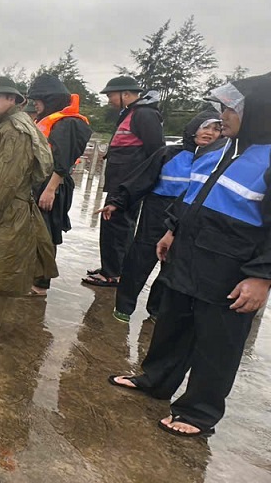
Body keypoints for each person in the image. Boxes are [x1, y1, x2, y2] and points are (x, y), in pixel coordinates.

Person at [109, 72, 271, 437]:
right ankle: (156, 379)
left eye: (231, 109)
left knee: (218, 342)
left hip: (232, 267)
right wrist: (172, 229)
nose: (222, 116)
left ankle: (198, 411)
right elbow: (194, 195)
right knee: (172, 322)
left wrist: (262, 276)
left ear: (260, 112)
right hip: (188, 253)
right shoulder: (223, 150)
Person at [98, 110, 224, 321]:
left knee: (172, 268)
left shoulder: (219, 161)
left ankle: (156, 310)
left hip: (188, 218)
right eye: (206, 127)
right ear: (193, 129)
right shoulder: (169, 153)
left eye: (216, 129)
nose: (210, 133)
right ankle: (124, 307)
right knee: (139, 261)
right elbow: (140, 180)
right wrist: (116, 203)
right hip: (157, 212)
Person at [0, 76, 58, 335]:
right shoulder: (9, 124)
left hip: (6, 209)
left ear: (14, 99)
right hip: (10, 206)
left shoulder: (13, 131)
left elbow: (2, 184)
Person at [84, 76, 165, 287]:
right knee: (112, 227)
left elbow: (157, 152)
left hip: (128, 186)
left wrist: (138, 184)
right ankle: (111, 267)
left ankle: (114, 274)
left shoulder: (145, 115)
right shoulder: (131, 113)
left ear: (126, 94)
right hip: (119, 183)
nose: (109, 100)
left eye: (111, 95)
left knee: (119, 227)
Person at [27, 74, 93, 296]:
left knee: (46, 233)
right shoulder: (51, 119)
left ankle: (40, 285)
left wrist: (50, 189)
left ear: (50, 99)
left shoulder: (68, 123)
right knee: (35, 231)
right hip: (42, 182)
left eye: (38, 99)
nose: (35, 104)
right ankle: (33, 277)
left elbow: (62, 160)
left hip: (53, 184)